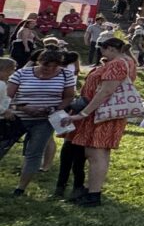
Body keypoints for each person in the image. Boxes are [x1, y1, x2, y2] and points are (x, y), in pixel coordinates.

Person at [59, 38, 136, 207]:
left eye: (102, 49)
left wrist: (84, 113)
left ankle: (93, 194)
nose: (101, 53)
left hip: (102, 114)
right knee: (99, 154)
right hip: (105, 113)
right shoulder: (128, 61)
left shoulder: (117, 64)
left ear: (110, 49)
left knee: (96, 154)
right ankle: (91, 190)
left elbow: (106, 91)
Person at [4, 48, 76, 197]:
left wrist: (54, 108)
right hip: (17, 118)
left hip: (45, 119)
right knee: (2, 146)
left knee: (34, 153)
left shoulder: (65, 75)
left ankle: (20, 188)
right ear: (39, 62)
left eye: (54, 66)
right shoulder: (22, 73)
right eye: (46, 65)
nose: (49, 69)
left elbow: (69, 97)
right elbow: (7, 97)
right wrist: (22, 107)